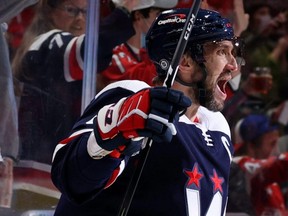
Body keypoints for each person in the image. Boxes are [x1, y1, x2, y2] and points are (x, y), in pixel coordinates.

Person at [51, 8, 242, 215]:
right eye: (222, 52)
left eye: (233, 52)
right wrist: (111, 131)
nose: (233, 66)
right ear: (185, 61)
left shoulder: (217, 126)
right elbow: (69, 178)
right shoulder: (132, 97)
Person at [12, 0, 138, 164]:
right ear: (49, 10)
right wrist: (126, 9)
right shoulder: (43, 42)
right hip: (36, 171)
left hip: (62, 168)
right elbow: (87, 50)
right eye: (71, 10)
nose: (80, 18)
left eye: (86, 12)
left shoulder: (89, 64)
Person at [97, 0, 178, 91]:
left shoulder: (145, 54)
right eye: (158, 15)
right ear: (138, 16)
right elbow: (139, 84)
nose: (164, 21)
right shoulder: (113, 55)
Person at [227, 114, 288, 215]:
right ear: (250, 146)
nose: (277, 151)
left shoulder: (265, 178)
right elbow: (280, 165)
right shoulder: (238, 167)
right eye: (272, 144)